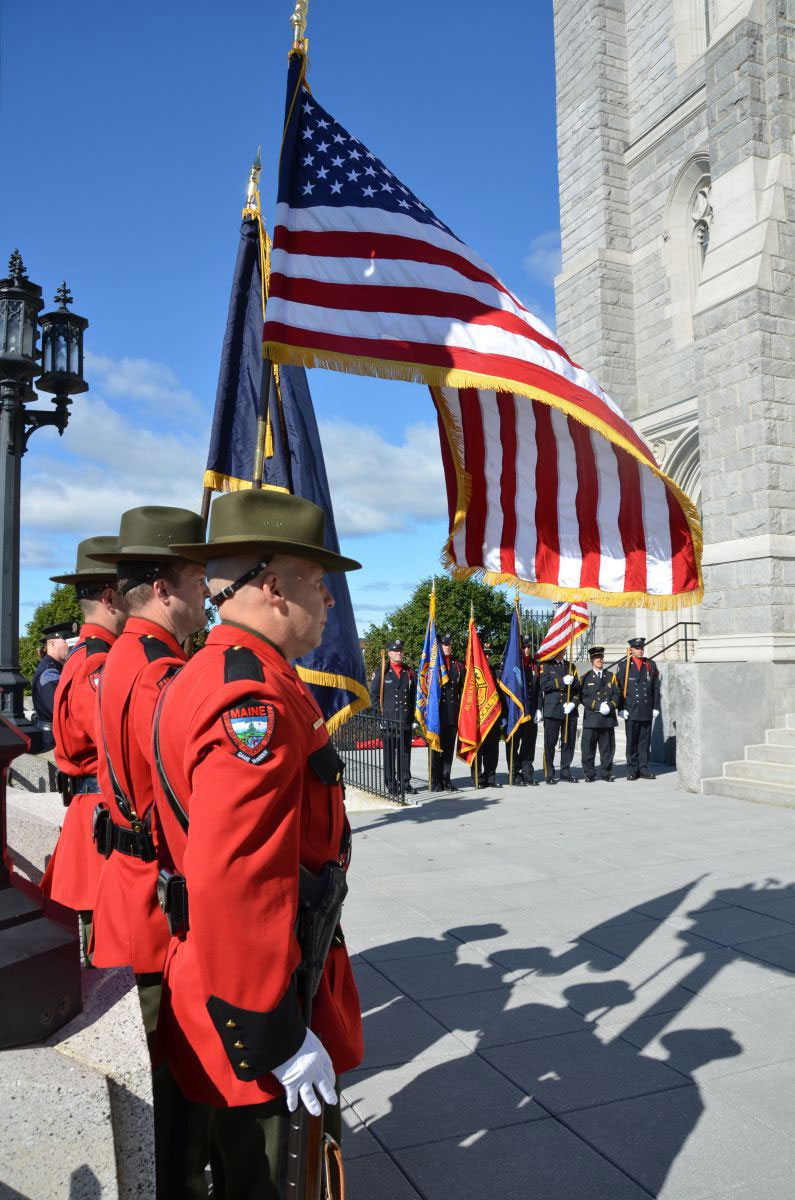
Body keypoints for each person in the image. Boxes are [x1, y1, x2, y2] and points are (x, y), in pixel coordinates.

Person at [151, 489, 364, 1197]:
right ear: (272, 586)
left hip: (231, 977)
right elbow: (237, 876)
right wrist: (270, 1033)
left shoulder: (220, 671)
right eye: (318, 583)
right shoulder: (252, 699)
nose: (329, 601)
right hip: (259, 996)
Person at [86, 506, 208, 1044]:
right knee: (169, 1088)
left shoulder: (124, 653)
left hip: (129, 882)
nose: (208, 594)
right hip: (153, 900)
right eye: (199, 581)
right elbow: (184, 794)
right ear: (163, 589)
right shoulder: (159, 671)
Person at [39, 537, 127, 958]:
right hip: (99, 821)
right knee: (111, 961)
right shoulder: (98, 663)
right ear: (110, 597)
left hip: (92, 813)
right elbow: (116, 742)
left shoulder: (87, 656)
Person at [370, 639, 417, 796]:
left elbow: (414, 697)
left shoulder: (409, 672)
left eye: (400, 651)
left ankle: (405, 782)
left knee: (405, 753)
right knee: (390, 754)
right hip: (388, 720)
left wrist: (414, 719)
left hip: (404, 719)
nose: (399, 653)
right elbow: (374, 696)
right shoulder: (381, 672)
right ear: (389, 653)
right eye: (396, 651)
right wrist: (379, 718)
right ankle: (391, 784)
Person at [619, 636, 661, 780]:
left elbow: (655, 687)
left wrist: (656, 706)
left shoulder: (650, 665)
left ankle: (643, 768)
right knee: (632, 742)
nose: (640, 650)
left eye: (642, 648)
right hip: (631, 710)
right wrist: (620, 708)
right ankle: (632, 769)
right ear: (631, 650)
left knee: (644, 741)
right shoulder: (624, 666)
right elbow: (619, 689)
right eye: (637, 648)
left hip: (646, 709)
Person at [579, 646, 622, 782]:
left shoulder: (611, 677)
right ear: (592, 660)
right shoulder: (585, 678)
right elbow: (582, 697)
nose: (600, 660)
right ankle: (589, 774)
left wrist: (610, 706)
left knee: (607, 749)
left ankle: (606, 773)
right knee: (588, 749)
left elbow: (617, 694)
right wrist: (597, 706)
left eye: (601, 658)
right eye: (597, 658)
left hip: (607, 719)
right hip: (592, 719)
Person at [539, 651, 580, 783]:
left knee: (568, 742)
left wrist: (573, 703)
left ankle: (565, 771)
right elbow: (544, 685)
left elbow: (578, 688)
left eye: (563, 649)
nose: (562, 651)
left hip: (569, 710)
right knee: (550, 743)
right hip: (552, 709)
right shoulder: (546, 665)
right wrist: (561, 681)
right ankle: (549, 773)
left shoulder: (571, 666)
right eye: (559, 649)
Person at [430, 632, 464, 792]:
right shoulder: (433, 665)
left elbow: (464, 690)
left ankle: (446, 779)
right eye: (445, 644)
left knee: (449, 749)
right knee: (437, 749)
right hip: (437, 713)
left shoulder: (458, 666)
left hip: (452, 713)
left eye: (450, 644)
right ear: (439, 646)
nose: (448, 647)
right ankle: (435, 780)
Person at [31, 622, 73, 749]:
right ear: (52, 643)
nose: (71, 645)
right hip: (52, 740)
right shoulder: (49, 672)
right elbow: (59, 710)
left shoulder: (57, 667)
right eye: (67, 640)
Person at [471, 640, 501, 788]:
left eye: (489, 655)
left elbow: (501, 694)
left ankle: (490, 777)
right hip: (477, 717)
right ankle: (477, 778)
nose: (487, 657)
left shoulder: (496, 671)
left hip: (493, 716)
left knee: (492, 749)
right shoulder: (472, 672)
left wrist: (504, 716)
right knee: (478, 749)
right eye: (485, 654)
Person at [513, 636, 541, 786]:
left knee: (529, 745)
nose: (526, 650)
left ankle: (528, 773)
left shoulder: (534, 665)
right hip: (516, 713)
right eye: (523, 647)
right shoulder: (513, 666)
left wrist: (539, 709)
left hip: (531, 711)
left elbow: (538, 689)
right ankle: (515, 774)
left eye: (528, 647)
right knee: (514, 745)